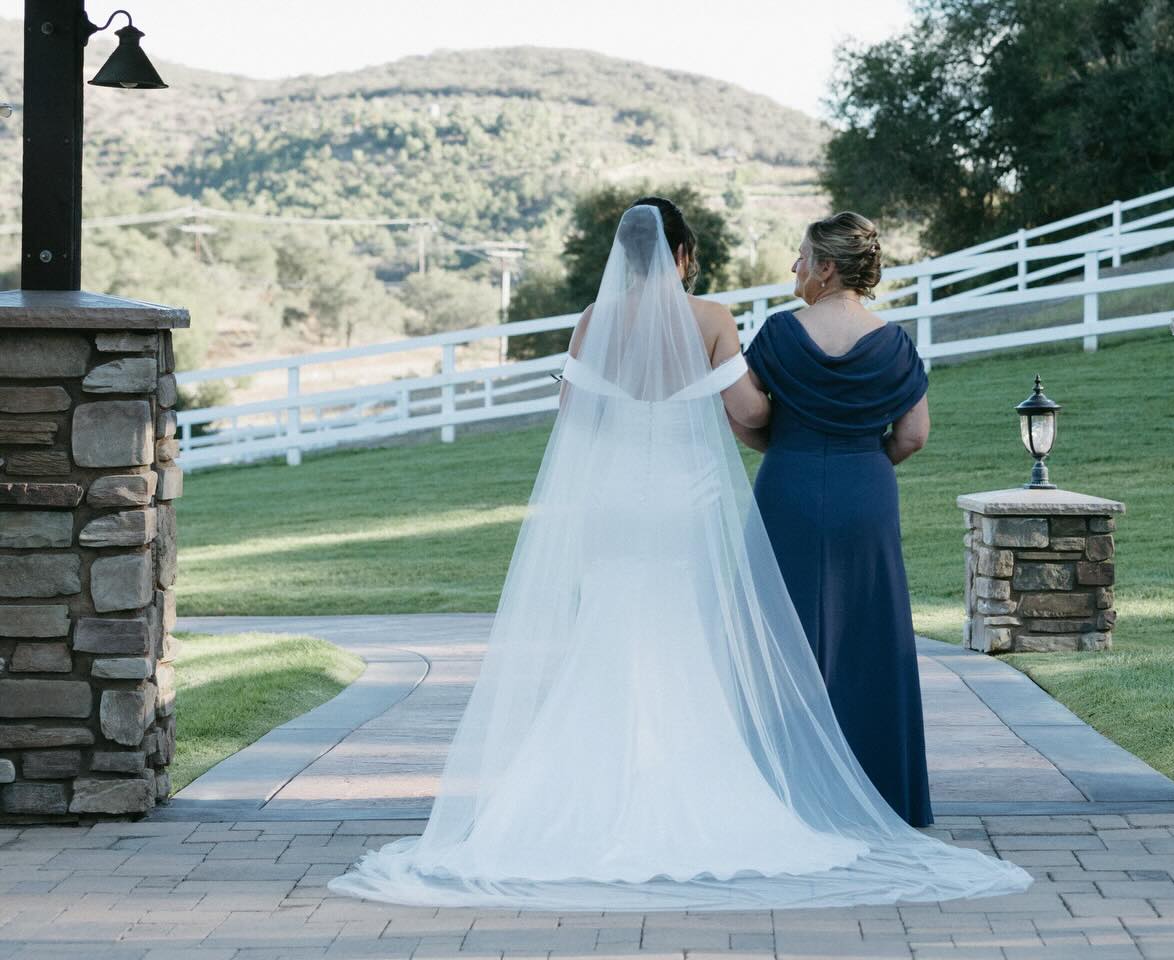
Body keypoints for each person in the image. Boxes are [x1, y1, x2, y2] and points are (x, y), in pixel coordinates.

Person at [328, 200, 1029, 910]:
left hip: (616, 502)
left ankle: (581, 795)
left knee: (607, 636)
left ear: (624, 261)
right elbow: (750, 413)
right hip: (686, 503)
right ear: (685, 256)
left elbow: (577, 414)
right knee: (689, 639)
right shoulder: (713, 320)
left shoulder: (593, 322)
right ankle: (708, 782)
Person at [736, 212, 934, 826]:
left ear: (826, 267)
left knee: (776, 632)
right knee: (870, 636)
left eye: (801, 256)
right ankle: (880, 793)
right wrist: (859, 458)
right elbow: (914, 435)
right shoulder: (894, 342)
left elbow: (748, 419)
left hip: (788, 486)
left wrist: (793, 450)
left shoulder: (777, 335)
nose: (794, 267)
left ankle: (774, 789)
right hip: (865, 491)